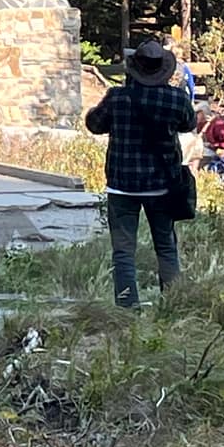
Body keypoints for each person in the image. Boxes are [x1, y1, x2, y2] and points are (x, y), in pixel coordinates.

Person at [86, 39, 195, 309]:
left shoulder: (117, 97)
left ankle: (127, 307)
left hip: (122, 185)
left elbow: (94, 125)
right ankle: (171, 304)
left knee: (123, 252)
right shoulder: (176, 99)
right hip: (162, 184)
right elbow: (188, 123)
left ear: (134, 69)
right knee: (166, 247)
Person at [199, 104, 224, 182]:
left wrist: (213, 145)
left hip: (219, 150)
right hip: (210, 147)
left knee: (202, 153)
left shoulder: (219, 124)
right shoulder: (203, 123)